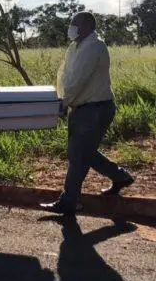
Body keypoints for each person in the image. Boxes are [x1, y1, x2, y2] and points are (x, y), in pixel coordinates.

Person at [40, 12, 135, 215]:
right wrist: (61, 98)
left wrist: (63, 103)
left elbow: (79, 80)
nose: (71, 27)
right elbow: (65, 75)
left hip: (95, 108)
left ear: (87, 27)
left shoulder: (94, 47)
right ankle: (120, 177)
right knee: (83, 153)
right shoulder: (75, 46)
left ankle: (69, 201)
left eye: (75, 24)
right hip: (82, 107)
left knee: (78, 155)